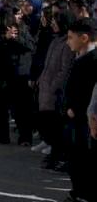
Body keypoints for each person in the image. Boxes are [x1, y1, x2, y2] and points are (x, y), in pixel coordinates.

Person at [51, 18, 97, 202]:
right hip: (74, 119)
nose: (68, 42)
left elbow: (90, 94)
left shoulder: (94, 60)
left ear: (84, 37)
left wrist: (76, 110)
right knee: (75, 162)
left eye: (71, 38)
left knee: (85, 164)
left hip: (85, 121)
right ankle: (77, 196)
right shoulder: (81, 56)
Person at [0, 6, 35, 145]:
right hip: (1, 73)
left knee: (21, 107)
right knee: (0, 106)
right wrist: (4, 38)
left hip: (19, 72)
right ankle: (0, 136)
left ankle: (25, 137)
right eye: (15, 14)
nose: (18, 17)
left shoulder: (23, 28)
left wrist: (16, 38)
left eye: (19, 14)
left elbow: (30, 46)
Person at [35, 9, 74, 169]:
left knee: (55, 126)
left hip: (55, 92)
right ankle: (54, 154)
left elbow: (64, 69)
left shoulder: (67, 42)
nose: (52, 23)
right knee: (45, 123)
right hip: (45, 86)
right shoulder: (55, 40)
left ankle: (57, 156)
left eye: (55, 20)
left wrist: (53, 86)